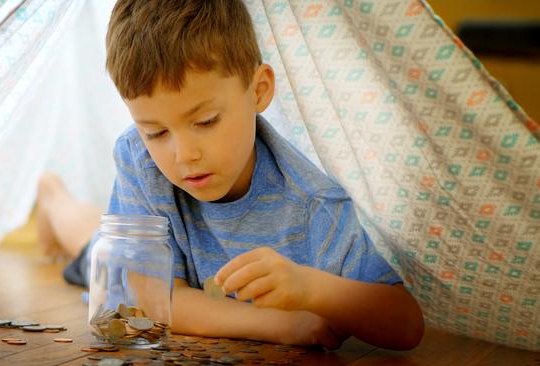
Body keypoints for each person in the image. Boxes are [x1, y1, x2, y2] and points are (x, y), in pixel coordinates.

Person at [37, 0, 424, 350]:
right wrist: (281, 325)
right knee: (89, 247)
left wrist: (312, 289)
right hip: (126, 267)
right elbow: (147, 298)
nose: (184, 155)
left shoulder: (313, 204)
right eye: (156, 132)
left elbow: (405, 325)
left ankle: (54, 196)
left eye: (205, 121)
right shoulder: (141, 159)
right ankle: (52, 195)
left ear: (259, 90)